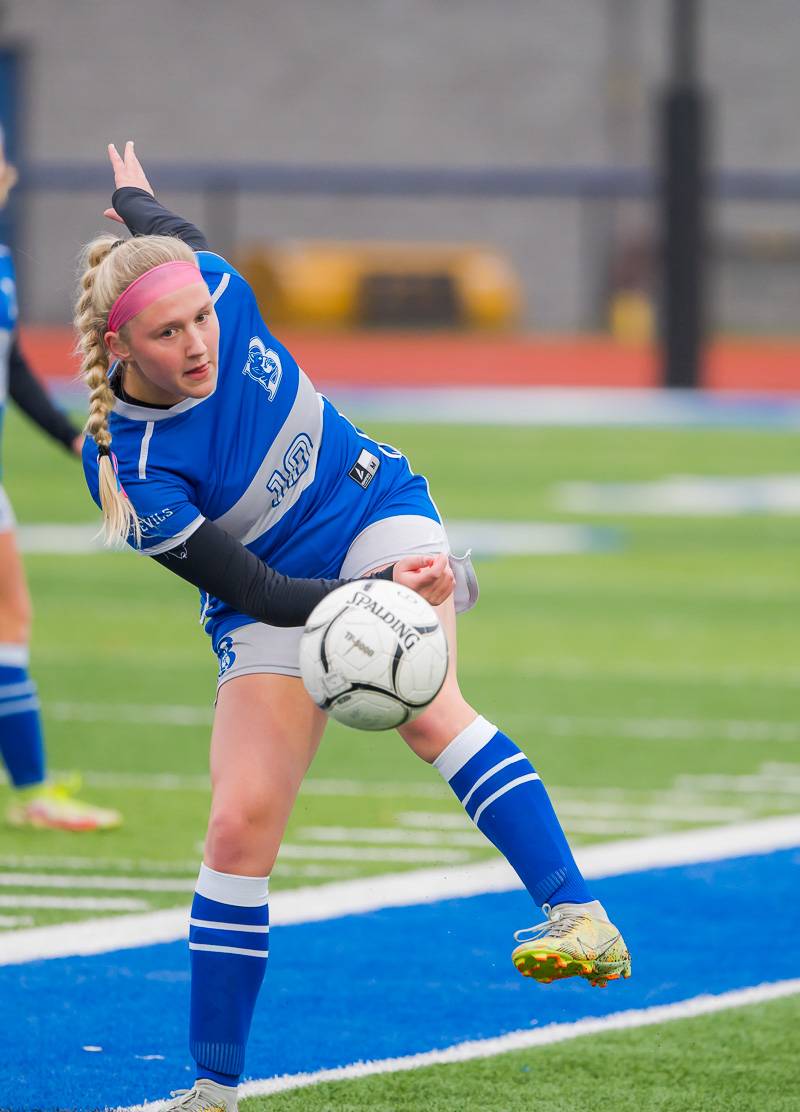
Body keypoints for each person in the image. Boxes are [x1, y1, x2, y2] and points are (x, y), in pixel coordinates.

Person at [78, 141, 630, 1112]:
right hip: (271, 592)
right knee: (237, 823)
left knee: (427, 711)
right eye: (168, 334)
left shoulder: (213, 280)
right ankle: (212, 1089)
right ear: (120, 350)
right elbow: (248, 582)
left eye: (202, 317)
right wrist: (372, 590)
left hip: (373, 501)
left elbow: (179, 239)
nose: (199, 342)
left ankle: (576, 911)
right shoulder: (129, 468)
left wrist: (133, 197)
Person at [0, 128, 120, 832]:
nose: (9, 165)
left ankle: (34, 792)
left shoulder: (4, 264)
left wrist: (73, 435)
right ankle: (35, 793)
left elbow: (12, 372)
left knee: (12, 616)